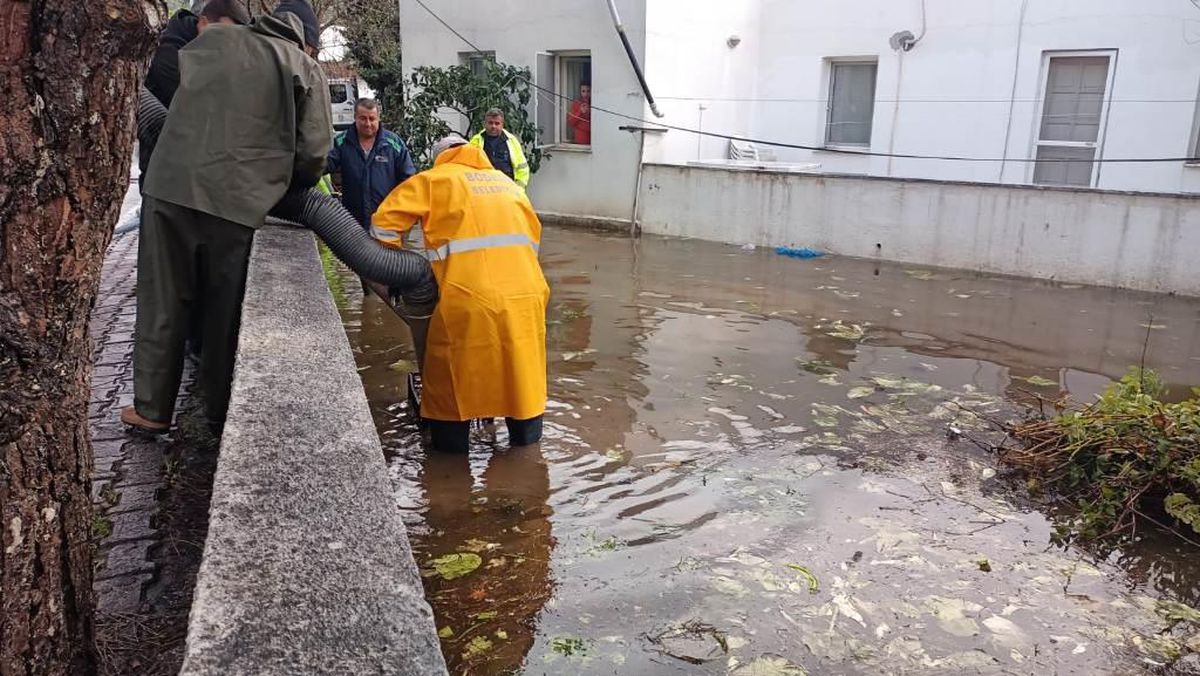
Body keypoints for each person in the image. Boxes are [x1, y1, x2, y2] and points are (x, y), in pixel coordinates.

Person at [121, 0, 332, 434]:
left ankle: (151, 410)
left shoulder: (215, 37)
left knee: (162, 299)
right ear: (308, 41)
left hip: (169, 186)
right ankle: (220, 414)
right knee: (224, 312)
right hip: (238, 201)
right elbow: (313, 154)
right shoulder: (304, 67)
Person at [370, 135, 549, 453]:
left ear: (440, 157)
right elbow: (532, 238)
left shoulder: (433, 181)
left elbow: (383, 228)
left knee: (451, 381)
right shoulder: (507, 185)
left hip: (467, 297)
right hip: (527, 297)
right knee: (522, 377)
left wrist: (398, 276)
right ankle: (526, 459)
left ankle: (450, 468)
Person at [326, 98, 417, 229]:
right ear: (355, 118)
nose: (368, 123)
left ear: (378, 119)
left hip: (387, 220)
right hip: (352, 220)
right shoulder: (342, 142)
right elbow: (324, 165)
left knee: (386, 250)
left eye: (372, 119)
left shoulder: (393, 144)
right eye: (363, 118)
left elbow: (408, 180)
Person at [468, 108, 530, 188]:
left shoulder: (511, 141)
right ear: (484, 124)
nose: (493, 126)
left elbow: (522, 168)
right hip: (484, 190)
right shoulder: (475, 141)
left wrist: (519, 189)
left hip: (508, 188)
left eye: (497, 123)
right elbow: (468, 168)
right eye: (490, 123)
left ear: (502, 125)